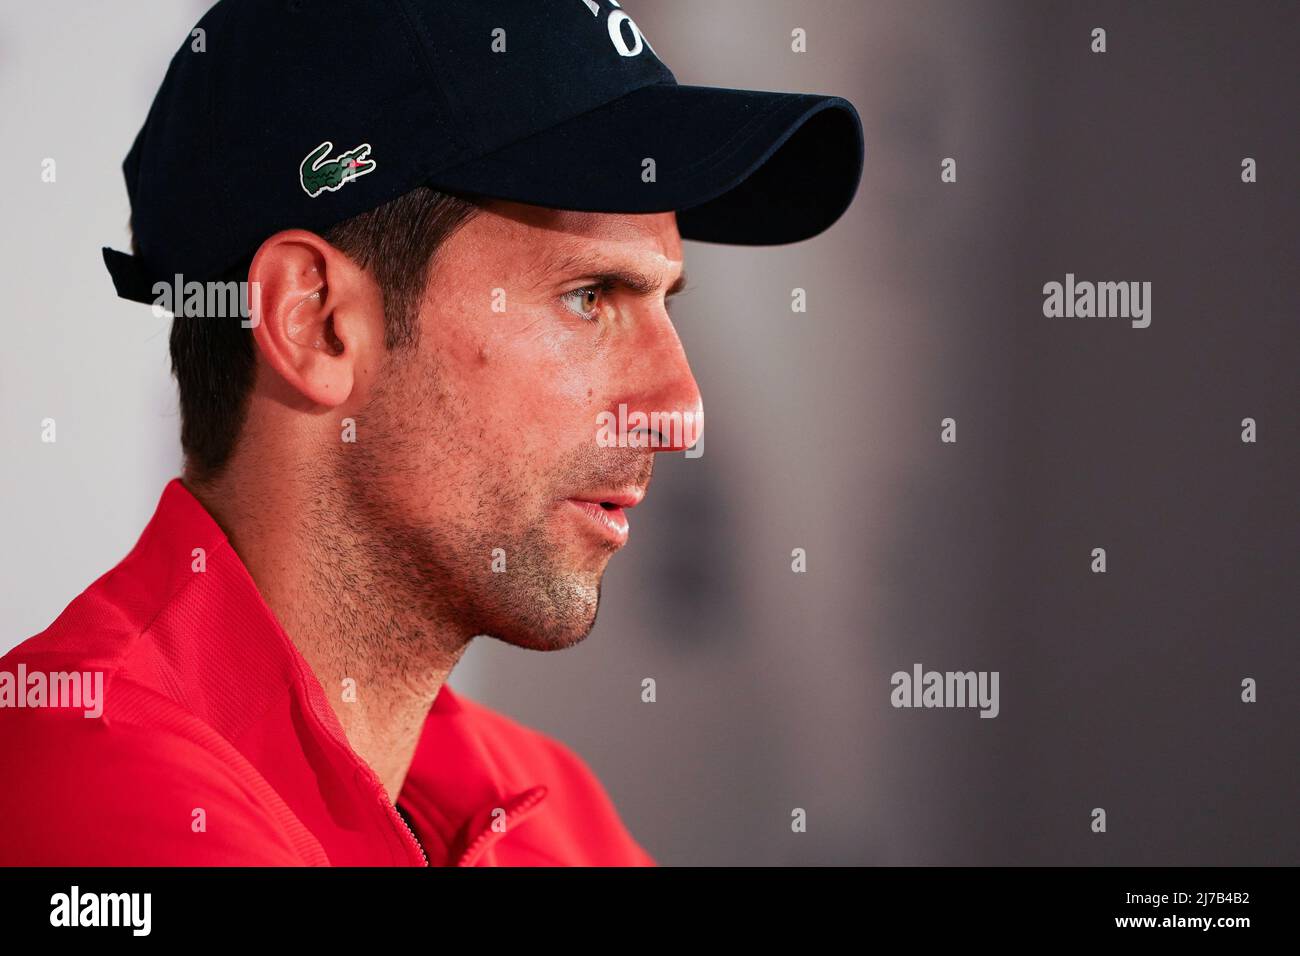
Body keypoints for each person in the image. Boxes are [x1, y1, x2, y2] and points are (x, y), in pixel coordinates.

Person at [0, 0, 862, 865]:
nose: (680, 411)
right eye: (589, 296)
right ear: (317, 322)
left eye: (663, 303)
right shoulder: (87, 788)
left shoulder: (551, 814)